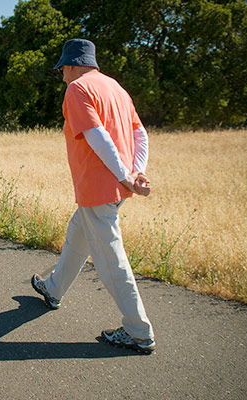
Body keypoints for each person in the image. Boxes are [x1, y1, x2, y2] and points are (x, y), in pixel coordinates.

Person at [31, 38, 155, 354]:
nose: (61, 74)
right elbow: (140, 133)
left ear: (72, 64)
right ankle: (54, 289)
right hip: (114, 187)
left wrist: (125, 174)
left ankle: (138, 332)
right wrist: (135, 172)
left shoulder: (77, 89)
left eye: (62, 68)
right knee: (78, 234)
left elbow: (96, 135)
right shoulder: (116, 88)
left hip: (99, 187)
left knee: (111, 260)